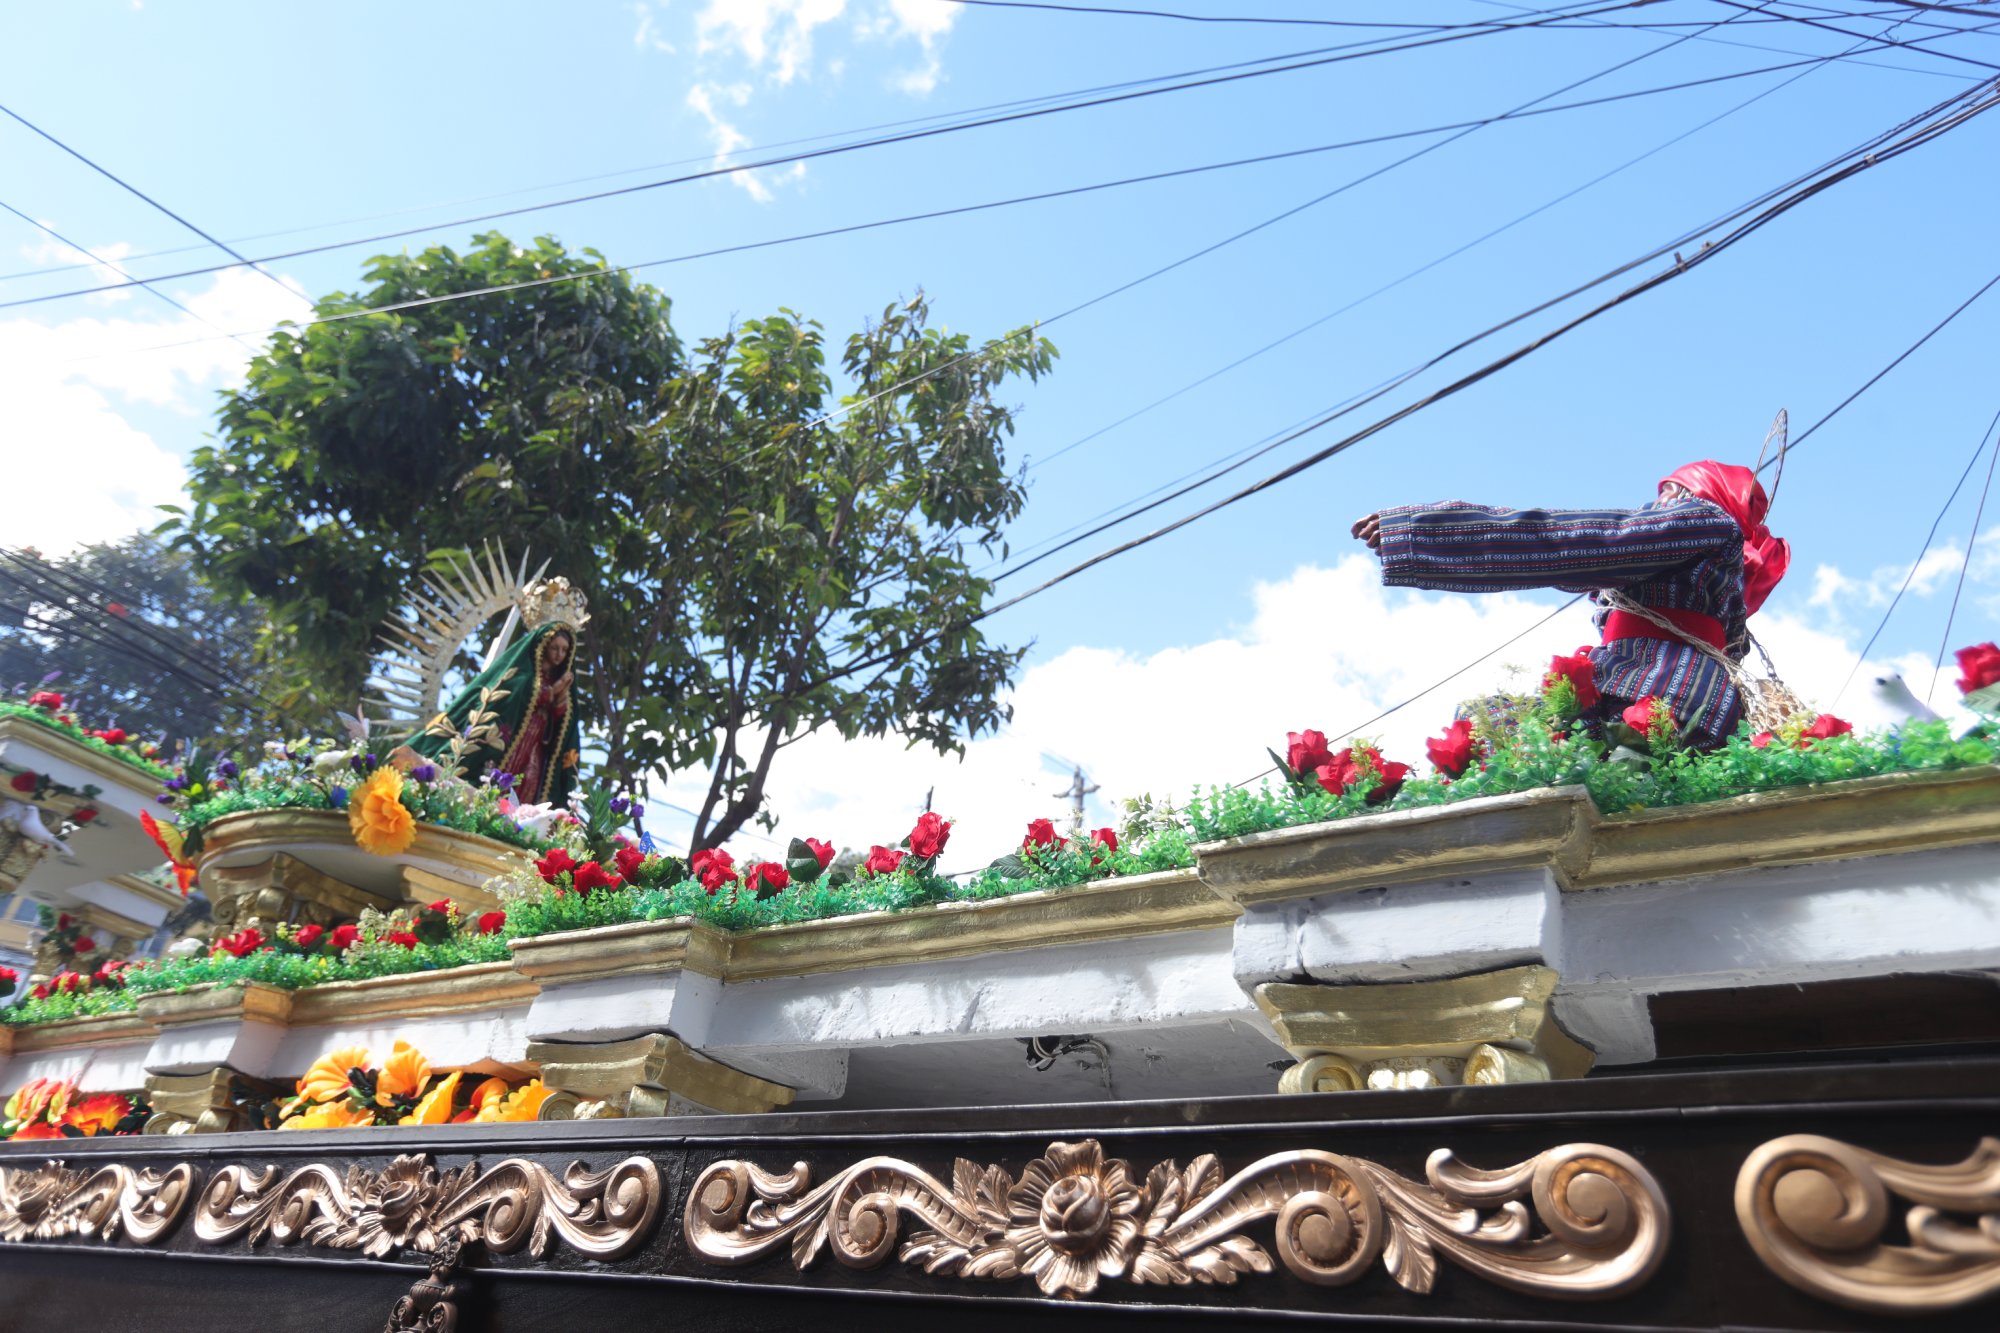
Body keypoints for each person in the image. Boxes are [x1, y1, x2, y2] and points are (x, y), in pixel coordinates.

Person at [1350, 462, 1789, 750]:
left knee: (1487, 728)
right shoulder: (1720, 571)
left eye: (1671, 492)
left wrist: (1425, 531)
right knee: (1493, 722)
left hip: (1654, 693)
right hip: (1680, 697)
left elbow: (1578, 541)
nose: (1658, 504)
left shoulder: (1703, 522)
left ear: (1702, 495)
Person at [402, 621, 582, 803]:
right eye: (555, 648)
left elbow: (564, 722)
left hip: (537, 741)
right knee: (506, 773)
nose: (559, 655)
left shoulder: (561, 678)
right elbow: (514, 693)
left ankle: (516, 815)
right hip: (514, 738)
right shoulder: (524, 672)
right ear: (544, 646)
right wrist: (550, 692)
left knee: (529, 777)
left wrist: (560, 703)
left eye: (564, 650)